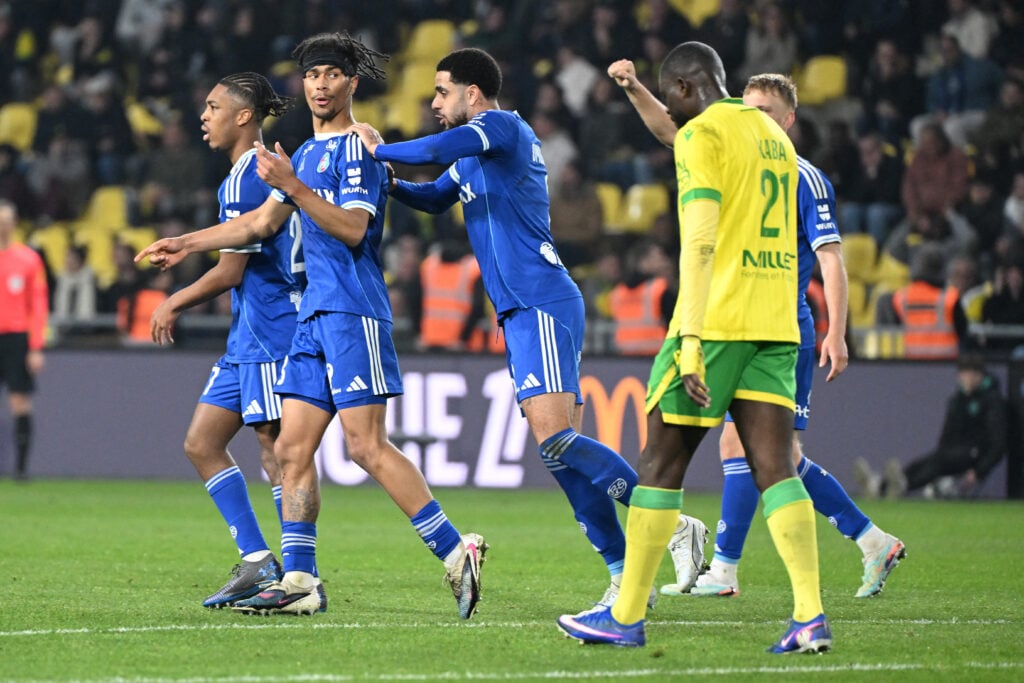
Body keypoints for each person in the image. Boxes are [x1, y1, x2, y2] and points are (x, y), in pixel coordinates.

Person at [136, 32, 486, 619]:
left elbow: (353, 228)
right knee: (291, 450)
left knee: (365, 447)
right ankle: (300, 580)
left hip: (353, 311)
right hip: (311, 320)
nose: (321, 85)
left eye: (332, 75)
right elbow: (258, 226)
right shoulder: (301, 154)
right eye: (312, 75)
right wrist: (186, 243)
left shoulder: (359, 148)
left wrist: (293, 186)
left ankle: (456, 550)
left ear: (352, 82)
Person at [347, 48, 653, 612]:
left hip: (541, 300)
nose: (434, 103)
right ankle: (626, 576)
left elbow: (435, 149)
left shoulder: (501, 127)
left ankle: (671, 525)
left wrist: (377, 148)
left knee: (556, 441)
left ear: (472, 94)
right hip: (520, 311)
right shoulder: (474, 158)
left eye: (442, 92)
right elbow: (435, 197)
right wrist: (390, 182)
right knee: (562, 459)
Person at [557, 42, 830, 653]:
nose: (672, 113)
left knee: (659, 464)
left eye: (670, 99)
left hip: (718, 321)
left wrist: (690, 338)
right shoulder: (772, 134)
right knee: (776, 468)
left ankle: (625, 616)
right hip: (777, 321)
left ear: (683, 88)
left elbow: (701, 240)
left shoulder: (701, 135)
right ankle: (810, 615)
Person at [603, 64, 905, 600]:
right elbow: (674, 131)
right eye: (750, 108)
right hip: (739, 320)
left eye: (766, 111)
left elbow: (831, 258)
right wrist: (634, 89)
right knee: (768, 454)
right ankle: (866, 542)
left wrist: (838, 332)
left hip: (780, 325)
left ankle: (725, 569)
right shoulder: (728, 149)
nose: (754, 118)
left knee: (760, 452)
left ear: (788, 120)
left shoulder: (803, 175)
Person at [146, 72, 304, 609]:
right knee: (202, 443)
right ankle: (259, 561)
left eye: (213, 107)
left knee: (275, 449)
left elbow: (231, 271)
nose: (203, 116)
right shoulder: (260, 170)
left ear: (243, 116)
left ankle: (297, 575)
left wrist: (173, 301)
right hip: (249, 335)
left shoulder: (247, 177)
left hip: (271, 331)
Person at [856, 353, 1008, 499]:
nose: (964, 379)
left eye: (969, 374)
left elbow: (998, 443)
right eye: (963, 374)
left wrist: (979, 471)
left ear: (979, 375)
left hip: (973, 455)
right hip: (953, 452)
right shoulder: (958, 400)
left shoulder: (992, 401)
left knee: (937, 464)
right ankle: (882, 485)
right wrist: (943, 449)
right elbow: (948, 432)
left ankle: (897, 486)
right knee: (925, 462)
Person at [0, 200, 47, 481]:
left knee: (19, 402)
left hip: (17, 338)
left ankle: (20, 469)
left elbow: (38, 305)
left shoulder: (28, 259)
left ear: (15, 224)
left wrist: (36, 347)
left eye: (7, 221)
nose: (3, 226)